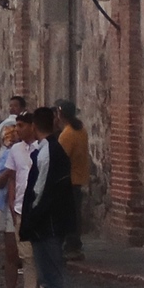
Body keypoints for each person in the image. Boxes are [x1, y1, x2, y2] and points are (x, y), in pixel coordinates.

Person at [18, 108, 77, 288]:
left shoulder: (48, 152)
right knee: (49, 276)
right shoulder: (46, 150)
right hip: (47, 222)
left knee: (51, 278)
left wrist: (32, 219)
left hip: (47, 224)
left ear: (34, 125)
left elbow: (41, 191)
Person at [0, 114, 35, 288]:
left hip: (29, 206)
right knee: (12, 253)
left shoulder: (36, 149)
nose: (15, 132)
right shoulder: (9, 152)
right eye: (12, 129)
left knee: (31, 253)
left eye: (19, 127)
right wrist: (8, 172)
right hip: (11, 206)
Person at [57, 102, 92, 257]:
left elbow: (60, 159)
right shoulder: (82, 130)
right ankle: (75, 244)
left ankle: (71, 245)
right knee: (75, 214)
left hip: (67, 180)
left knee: (67, 215)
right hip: (79, 177)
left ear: (60, 114)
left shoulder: (67, 134)